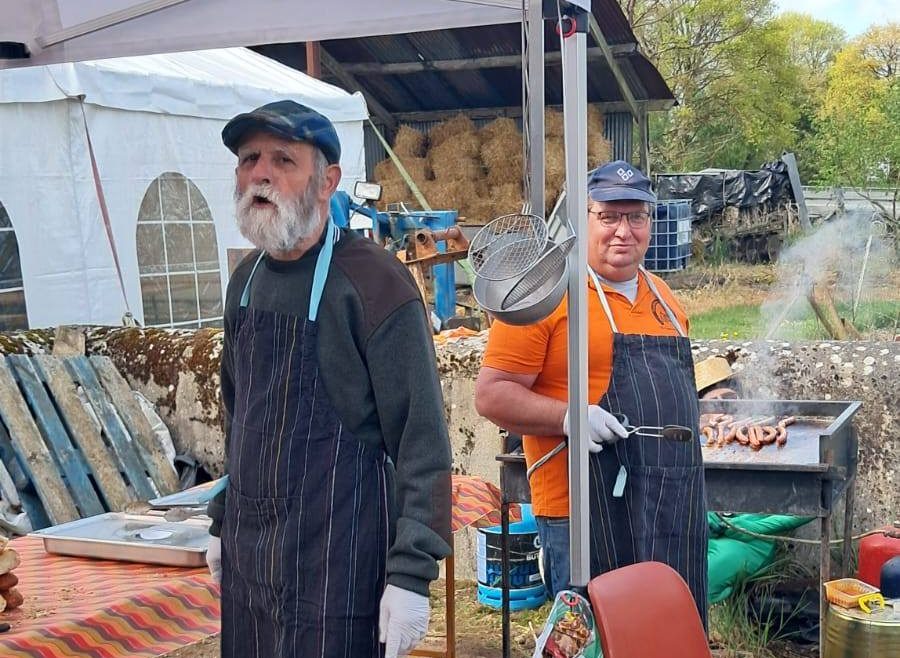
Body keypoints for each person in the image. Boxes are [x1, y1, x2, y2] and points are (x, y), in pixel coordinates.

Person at [204, 100, 453, 658]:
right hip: (251, 561)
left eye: (284, 160)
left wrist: (411, 573)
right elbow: (238, 415)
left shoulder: (374, 285)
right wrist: (222, 517)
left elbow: (422, 442)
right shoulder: (245, 282)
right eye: (249, 160)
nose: (260, 174)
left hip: (336, 568)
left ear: (328, 181)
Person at [475, 160, 707, 625]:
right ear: (584, 220)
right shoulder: (547, 294)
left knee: (664, 635)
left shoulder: (665, 298)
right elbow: (491, 394)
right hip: (581, 513)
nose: (624, 230)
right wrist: (570, 418)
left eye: (636, 216)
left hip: (667, 508)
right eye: (608, 216)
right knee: (600, 637)